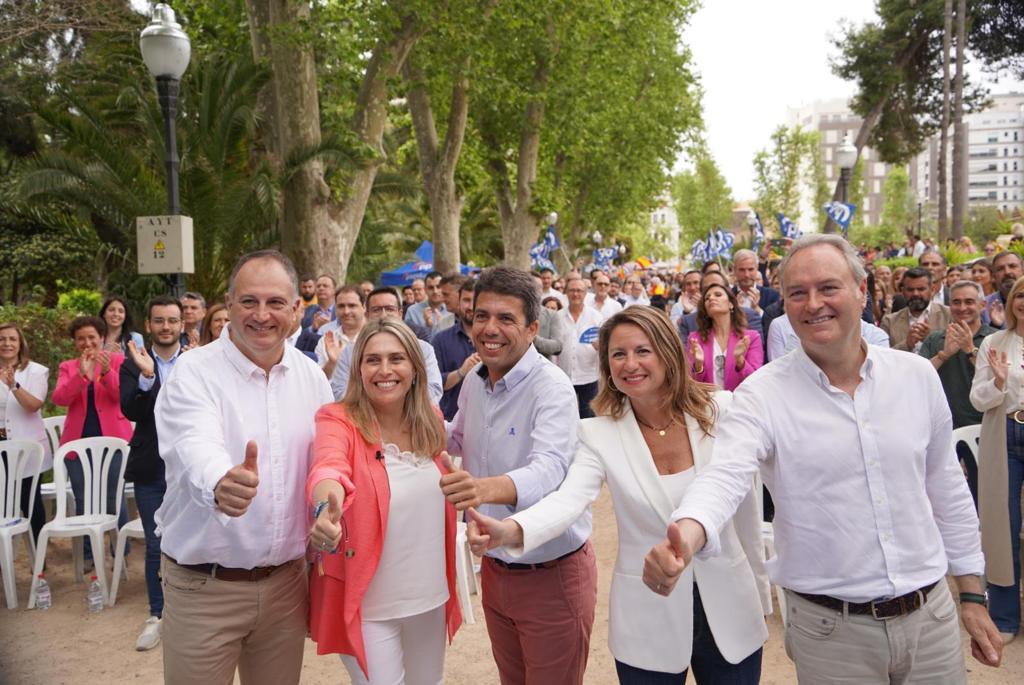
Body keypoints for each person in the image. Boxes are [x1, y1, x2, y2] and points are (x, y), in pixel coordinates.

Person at [643, 234, 1002, 683]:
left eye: (828, 288)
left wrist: (972, 595)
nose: (813, 304)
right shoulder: (762, 395)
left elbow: (946, 488)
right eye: (797, 293)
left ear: (862, 290)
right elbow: (725, 477)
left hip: (931, 620)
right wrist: (687, 533)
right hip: (832, 635)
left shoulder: (915, 377)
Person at [466, 306, 769, 684]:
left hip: (730, 607)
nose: (630, 364)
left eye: (643, 351)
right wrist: (510, 530)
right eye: (618, 354)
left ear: (668, 353)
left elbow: (744, 500)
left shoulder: (722, 410)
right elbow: (567, 500)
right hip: (647, 615)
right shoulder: (596, 434)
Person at [154, 250, 334, 685]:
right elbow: (194, 444)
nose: (261, 315)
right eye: (249, 301)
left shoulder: (312, 377)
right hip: (204, 590)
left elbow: (326, 463)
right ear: (229, 304)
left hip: (286, 587)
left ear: (296, 308)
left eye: (276, 303)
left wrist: (327, 509)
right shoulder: (192, 372)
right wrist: (221, 482)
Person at [443, 266, 597, 684]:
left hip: (551, 573)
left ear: (532, 329)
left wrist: (479, 490)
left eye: (505, 318)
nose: (490, 328)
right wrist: (403, 417)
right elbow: (456, 437)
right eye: (481, 316)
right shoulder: (475, 382)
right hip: (496, 569)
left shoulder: (552, 387)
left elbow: (549, 469)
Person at [306, 318, 463, 683]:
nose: (385, 370)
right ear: (358, 369)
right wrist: (324, 509)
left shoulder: (430, 419)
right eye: (373, 360)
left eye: (396, 358)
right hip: (369, 604)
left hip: (429, 594)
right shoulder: (338, 419)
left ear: (415, 367)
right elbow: (328, 468)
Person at [119, 295, 184, 651]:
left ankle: (187, 613)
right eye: (159, 320)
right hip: (150, 468)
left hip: (189, 468)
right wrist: (147, 376)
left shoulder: (197, 361)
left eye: (172, 320)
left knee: (191, 539)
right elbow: (131, 411)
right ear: (148, 325)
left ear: (182, 325)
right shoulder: (132, 364)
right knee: (156, 544)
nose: (166, 327)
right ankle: (157, 615)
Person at [52, 315, 133, 566]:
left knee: (113, 497)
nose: (87, 343)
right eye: (81, 339)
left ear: (101, 338)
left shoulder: (117, 361)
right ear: (74, 342)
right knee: (83, 499)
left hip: (114, 441)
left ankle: (120, 552)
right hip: (77, 443)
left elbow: (122, 396)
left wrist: (106, 371)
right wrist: (81, 375)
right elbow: (60, 399)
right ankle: (89, 554)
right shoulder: (68, 366)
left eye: (91, 337)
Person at [970, 274, 1024, 646]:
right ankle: (1005, 617)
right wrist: (1000, 383)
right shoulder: (994, 343)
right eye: (1020, 295)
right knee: (1002, 528)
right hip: (1005, 434)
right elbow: (978, 399)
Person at [917, 280, 995, 507]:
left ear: (982, 305)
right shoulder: (935, 339)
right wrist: (944, 355)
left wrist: (971, 351)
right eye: (956, 302)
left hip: (985, 429)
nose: (962, 308)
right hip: (943, 431)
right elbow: (917, 378)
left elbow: (999, 381)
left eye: (969, 302)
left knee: (984, 499)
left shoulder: (995, 338)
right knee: (947, 500)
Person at [331, 287, 442, 404]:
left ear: (400, 314)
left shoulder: (423, 349)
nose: (383, 315)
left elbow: (433, 390)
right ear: (367, 315)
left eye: (390, 309)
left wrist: (395, 406)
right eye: (376, 310)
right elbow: (339, 393)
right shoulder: (350, 352)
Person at [0, 322, 49, 544]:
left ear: (20, 344)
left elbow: (33, 406)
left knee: (29, 500)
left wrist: (14, 385)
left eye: (12, 339)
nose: (6, 343)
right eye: (2, 339)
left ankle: (39, 555)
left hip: (26, 446)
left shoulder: (36, 371)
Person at [686, 284, 762, 391]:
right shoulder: (695, 339)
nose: (711, 298)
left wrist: (740, 360)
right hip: (708, 400)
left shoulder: (752, 337)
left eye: (718, 295)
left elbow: (756, 381)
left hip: (741, 400)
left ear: (731, 304)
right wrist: (699, 365)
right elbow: (690, 383)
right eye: (707, 298)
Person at [432, 280, 480, 421]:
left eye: (475, 300)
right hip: (452, 421)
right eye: (466, 300)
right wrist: (461, 372)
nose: (470, 306)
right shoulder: (440, 340)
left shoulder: (497, 340)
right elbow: (434, 384)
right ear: (459, 302)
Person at [558, 278, 604, 419]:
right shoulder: (558, 317)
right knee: (564, 416)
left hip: (588, 376)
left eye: (579, 290)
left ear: (585, 293)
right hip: (563, 376)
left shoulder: (596, 317)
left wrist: (601, 346)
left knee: (588, 418)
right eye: (572, 290)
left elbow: (606, 345)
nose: (575, 294)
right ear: (566, 292)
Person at [880, 267, 950, 352]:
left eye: (921, 289)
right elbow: (883, 355)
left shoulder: (948, 315)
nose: (915, 294)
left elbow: (955, 353)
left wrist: (930, 339)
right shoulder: (889, 322)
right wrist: (907, 344)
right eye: (910, 290)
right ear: (902, 291)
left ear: (932, 290)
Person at [315, 285, 366, 380]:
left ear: (364, 307)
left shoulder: (374, 337)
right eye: (341, 306)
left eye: (352, 306)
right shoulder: (326, 341)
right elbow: (320, 381)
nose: (346, 311)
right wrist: (332, 362)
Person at [985, 251, 1023, 328]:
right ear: (994, 276)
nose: (1007, 272)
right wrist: (994, 325)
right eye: (1000, 269)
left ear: (1023, 271)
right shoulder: (984, 306)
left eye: (1012, 266)